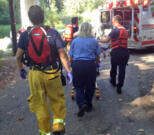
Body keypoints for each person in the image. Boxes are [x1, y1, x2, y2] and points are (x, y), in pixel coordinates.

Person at [16, 5, 72, 135]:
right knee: (57, 100)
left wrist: (21, 69)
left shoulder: (25, 35)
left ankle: (45, 132)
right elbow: (62, 54)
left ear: (30, 19)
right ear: (43, 16)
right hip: (52, 73)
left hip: (34, 74)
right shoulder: (52, 33)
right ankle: (58, 127)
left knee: (39, 104)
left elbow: (18, 56)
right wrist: (68, 71)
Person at [69, 22, 101, 117]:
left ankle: (81, 104)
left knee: (78, 87)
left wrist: (72, 65)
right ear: (90, 29)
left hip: (78, 65)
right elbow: (97, 57)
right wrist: (96, 63)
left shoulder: (75, 41)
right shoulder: (94, 41)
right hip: (90, 65)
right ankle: (88, 104)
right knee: (90, 86)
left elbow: (70, 56)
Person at [98, 15, 129, 94]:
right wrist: (111, 46)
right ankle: (119, 86)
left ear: (115, 21)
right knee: (122, 70)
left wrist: (98, 41)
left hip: (116, 53)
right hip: (125, 52)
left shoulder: (114, 30)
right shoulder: (125, 30)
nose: (111, 23)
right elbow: (119, 41)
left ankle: (113, 81)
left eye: (112, 21)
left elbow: (106, 40)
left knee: (114, 68)